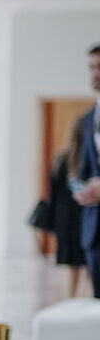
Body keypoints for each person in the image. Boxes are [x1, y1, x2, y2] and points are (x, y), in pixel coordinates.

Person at [45, 115, 89, 296]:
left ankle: (72, 295)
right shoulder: (86, 161)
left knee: (73, 263)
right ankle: (87, 296)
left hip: (65, 218)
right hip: (83, 216)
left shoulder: (59, 160)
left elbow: (52, 195)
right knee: (87, 259)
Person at [72, 44, 100, 298]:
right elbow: (87, 168)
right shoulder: (89, 118)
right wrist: (81, 187)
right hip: (95, 231)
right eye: (92, 67)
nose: (95, 73)